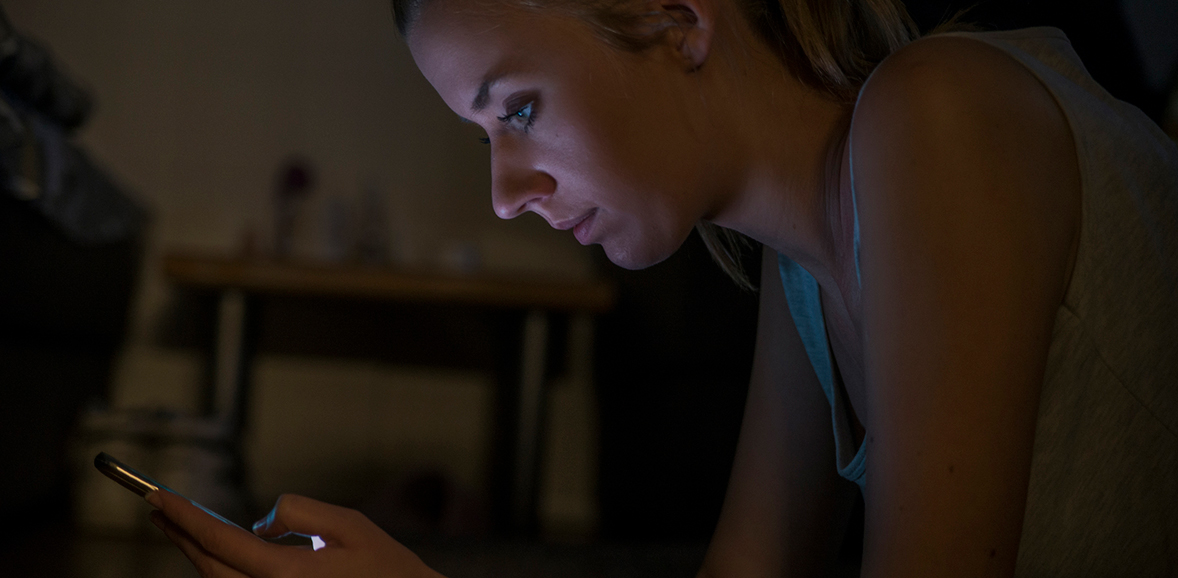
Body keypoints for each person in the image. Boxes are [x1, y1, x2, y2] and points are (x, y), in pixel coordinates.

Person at [146, 0, 1178, 575]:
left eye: (515, 109)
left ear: (678, 19)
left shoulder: (936, 116)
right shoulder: (805, 260)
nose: (503, 195)